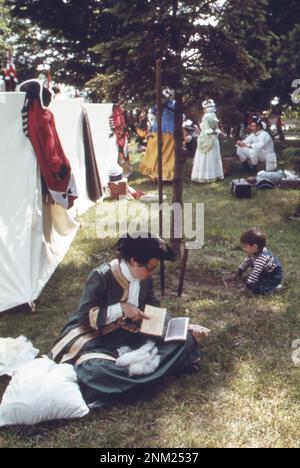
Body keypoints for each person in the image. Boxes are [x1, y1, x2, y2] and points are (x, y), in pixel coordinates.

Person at [49, 232, 210, 407]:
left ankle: (136, 382)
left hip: (129, 335)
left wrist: (184, 327)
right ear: (133, 260)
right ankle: (164, 370)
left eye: (153, 269)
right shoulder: (101, 276)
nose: (150, 274)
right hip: (95, 337)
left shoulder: (145, 279)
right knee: (96, 372)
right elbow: (85, 317)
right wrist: (121, 309)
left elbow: (153, 309)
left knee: (184, 340)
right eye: (149, 268)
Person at [229, 228, 283, 295]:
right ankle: (258, 282)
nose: (243, 249)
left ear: (254, 246)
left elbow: (255, 272)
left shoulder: (262, 258)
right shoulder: (254, 252)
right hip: (263, 273)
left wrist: (247, 287)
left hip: (272, 277)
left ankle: (274, 287)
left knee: (256, 289)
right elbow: (247, 261)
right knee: (247, 278)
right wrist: (239, 272)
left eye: (245, 246)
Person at [139, 89, 175, 181]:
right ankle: (165, 175)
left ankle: (155, 173)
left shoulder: (159, 104)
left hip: (157, 128)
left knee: (155, 151)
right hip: (170, 129)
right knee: (167, 153)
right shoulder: (174, 103)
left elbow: (151, 111)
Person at [191, 99, 224, 183]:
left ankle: (204, 175)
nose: (203, 110)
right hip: (214, 138)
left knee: (204, 157)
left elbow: (206, 129)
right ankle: (214, 174)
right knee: (213, 156)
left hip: (206, 137)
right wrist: (218, 132)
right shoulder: (214, 116)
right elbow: (216, 128)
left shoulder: (206, 117)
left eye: (204, 108)